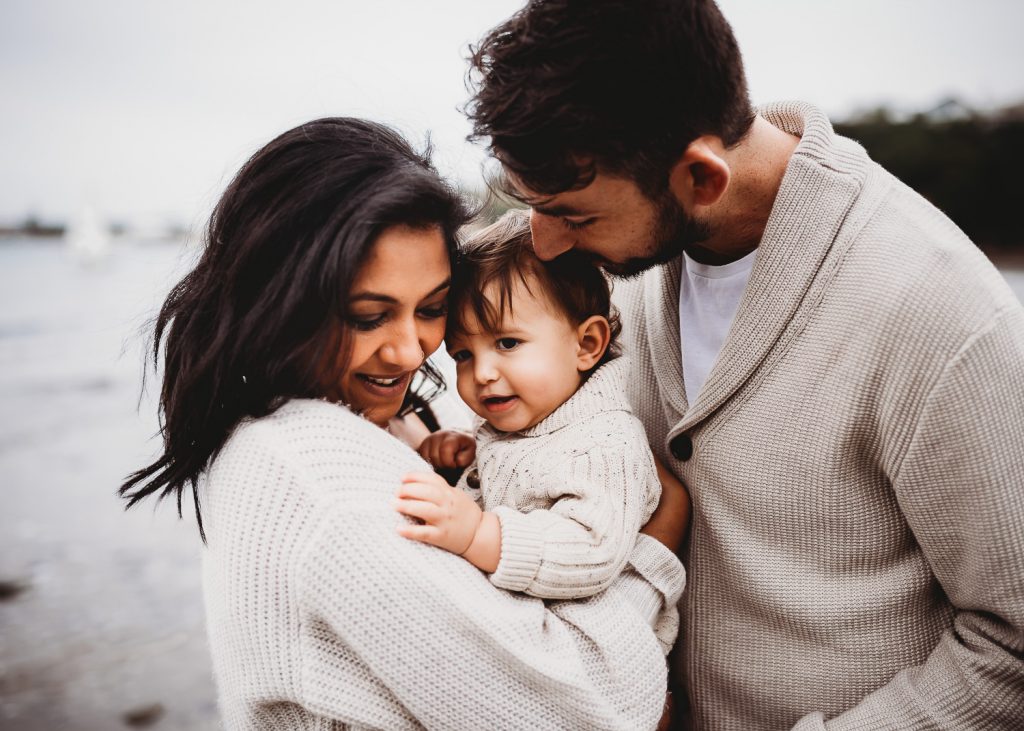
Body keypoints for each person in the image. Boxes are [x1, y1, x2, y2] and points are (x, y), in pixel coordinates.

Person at [466, 1, 1024, 729]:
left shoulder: (938, 308)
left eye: (573, 214)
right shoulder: (622, 255)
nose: (544, 245)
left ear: (701, 177)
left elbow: (1010, 646)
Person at [119, 117, 687, 730]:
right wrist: (653, 551)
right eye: (369, 316)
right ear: (282, 301)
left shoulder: (343, 427)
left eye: (433, 310)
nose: (411, 352)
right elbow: (595, 711)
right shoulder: (319, 482)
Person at [397, 210, 684, 654]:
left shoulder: (603, 443)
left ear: (586, 344)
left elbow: (592, 551)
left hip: (594, 661)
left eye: (507, 343)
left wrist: (479, 534)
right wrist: (466, 450)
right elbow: (515, 467)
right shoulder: (524, 418)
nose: (483, 373)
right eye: (462, 354)